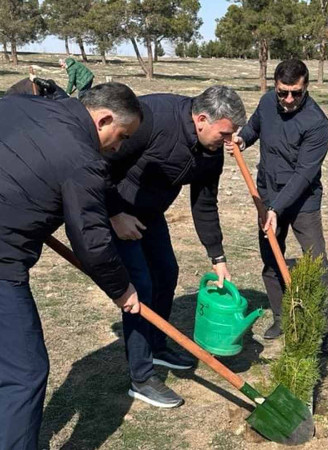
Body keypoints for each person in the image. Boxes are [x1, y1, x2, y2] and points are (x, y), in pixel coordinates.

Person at [0, 83, 143, 449]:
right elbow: (91, 241)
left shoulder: (13, 104)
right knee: (22, 373)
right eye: (121, 136)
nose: (118, 147)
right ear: (103, 118)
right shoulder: (82, 159)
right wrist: (122, 289)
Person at [103, 85, 247, 408]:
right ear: (201, 119)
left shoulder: (212, 152)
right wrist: (114, 213)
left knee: (167, 272)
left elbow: (205, 203)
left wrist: (217, 256)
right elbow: (101, 162)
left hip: (149, 213)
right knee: (139, 286)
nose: (230, 141)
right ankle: (141, 377)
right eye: (225, 133)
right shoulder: (152, 119)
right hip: (118, 209)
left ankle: (156, 345)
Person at [228, 59, 328, 354]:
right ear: (275, 87)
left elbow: (304, 174)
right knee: (270, 259)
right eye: (283, 92)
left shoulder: (317, 123)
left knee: (317, 265)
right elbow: (254, 126)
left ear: (306, 87)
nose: (289, 99)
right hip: (266, 193)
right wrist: (242, 140)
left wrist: (277, 210)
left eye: (296, 93)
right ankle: (281, 317)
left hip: (302, 200)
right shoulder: (268, 102)